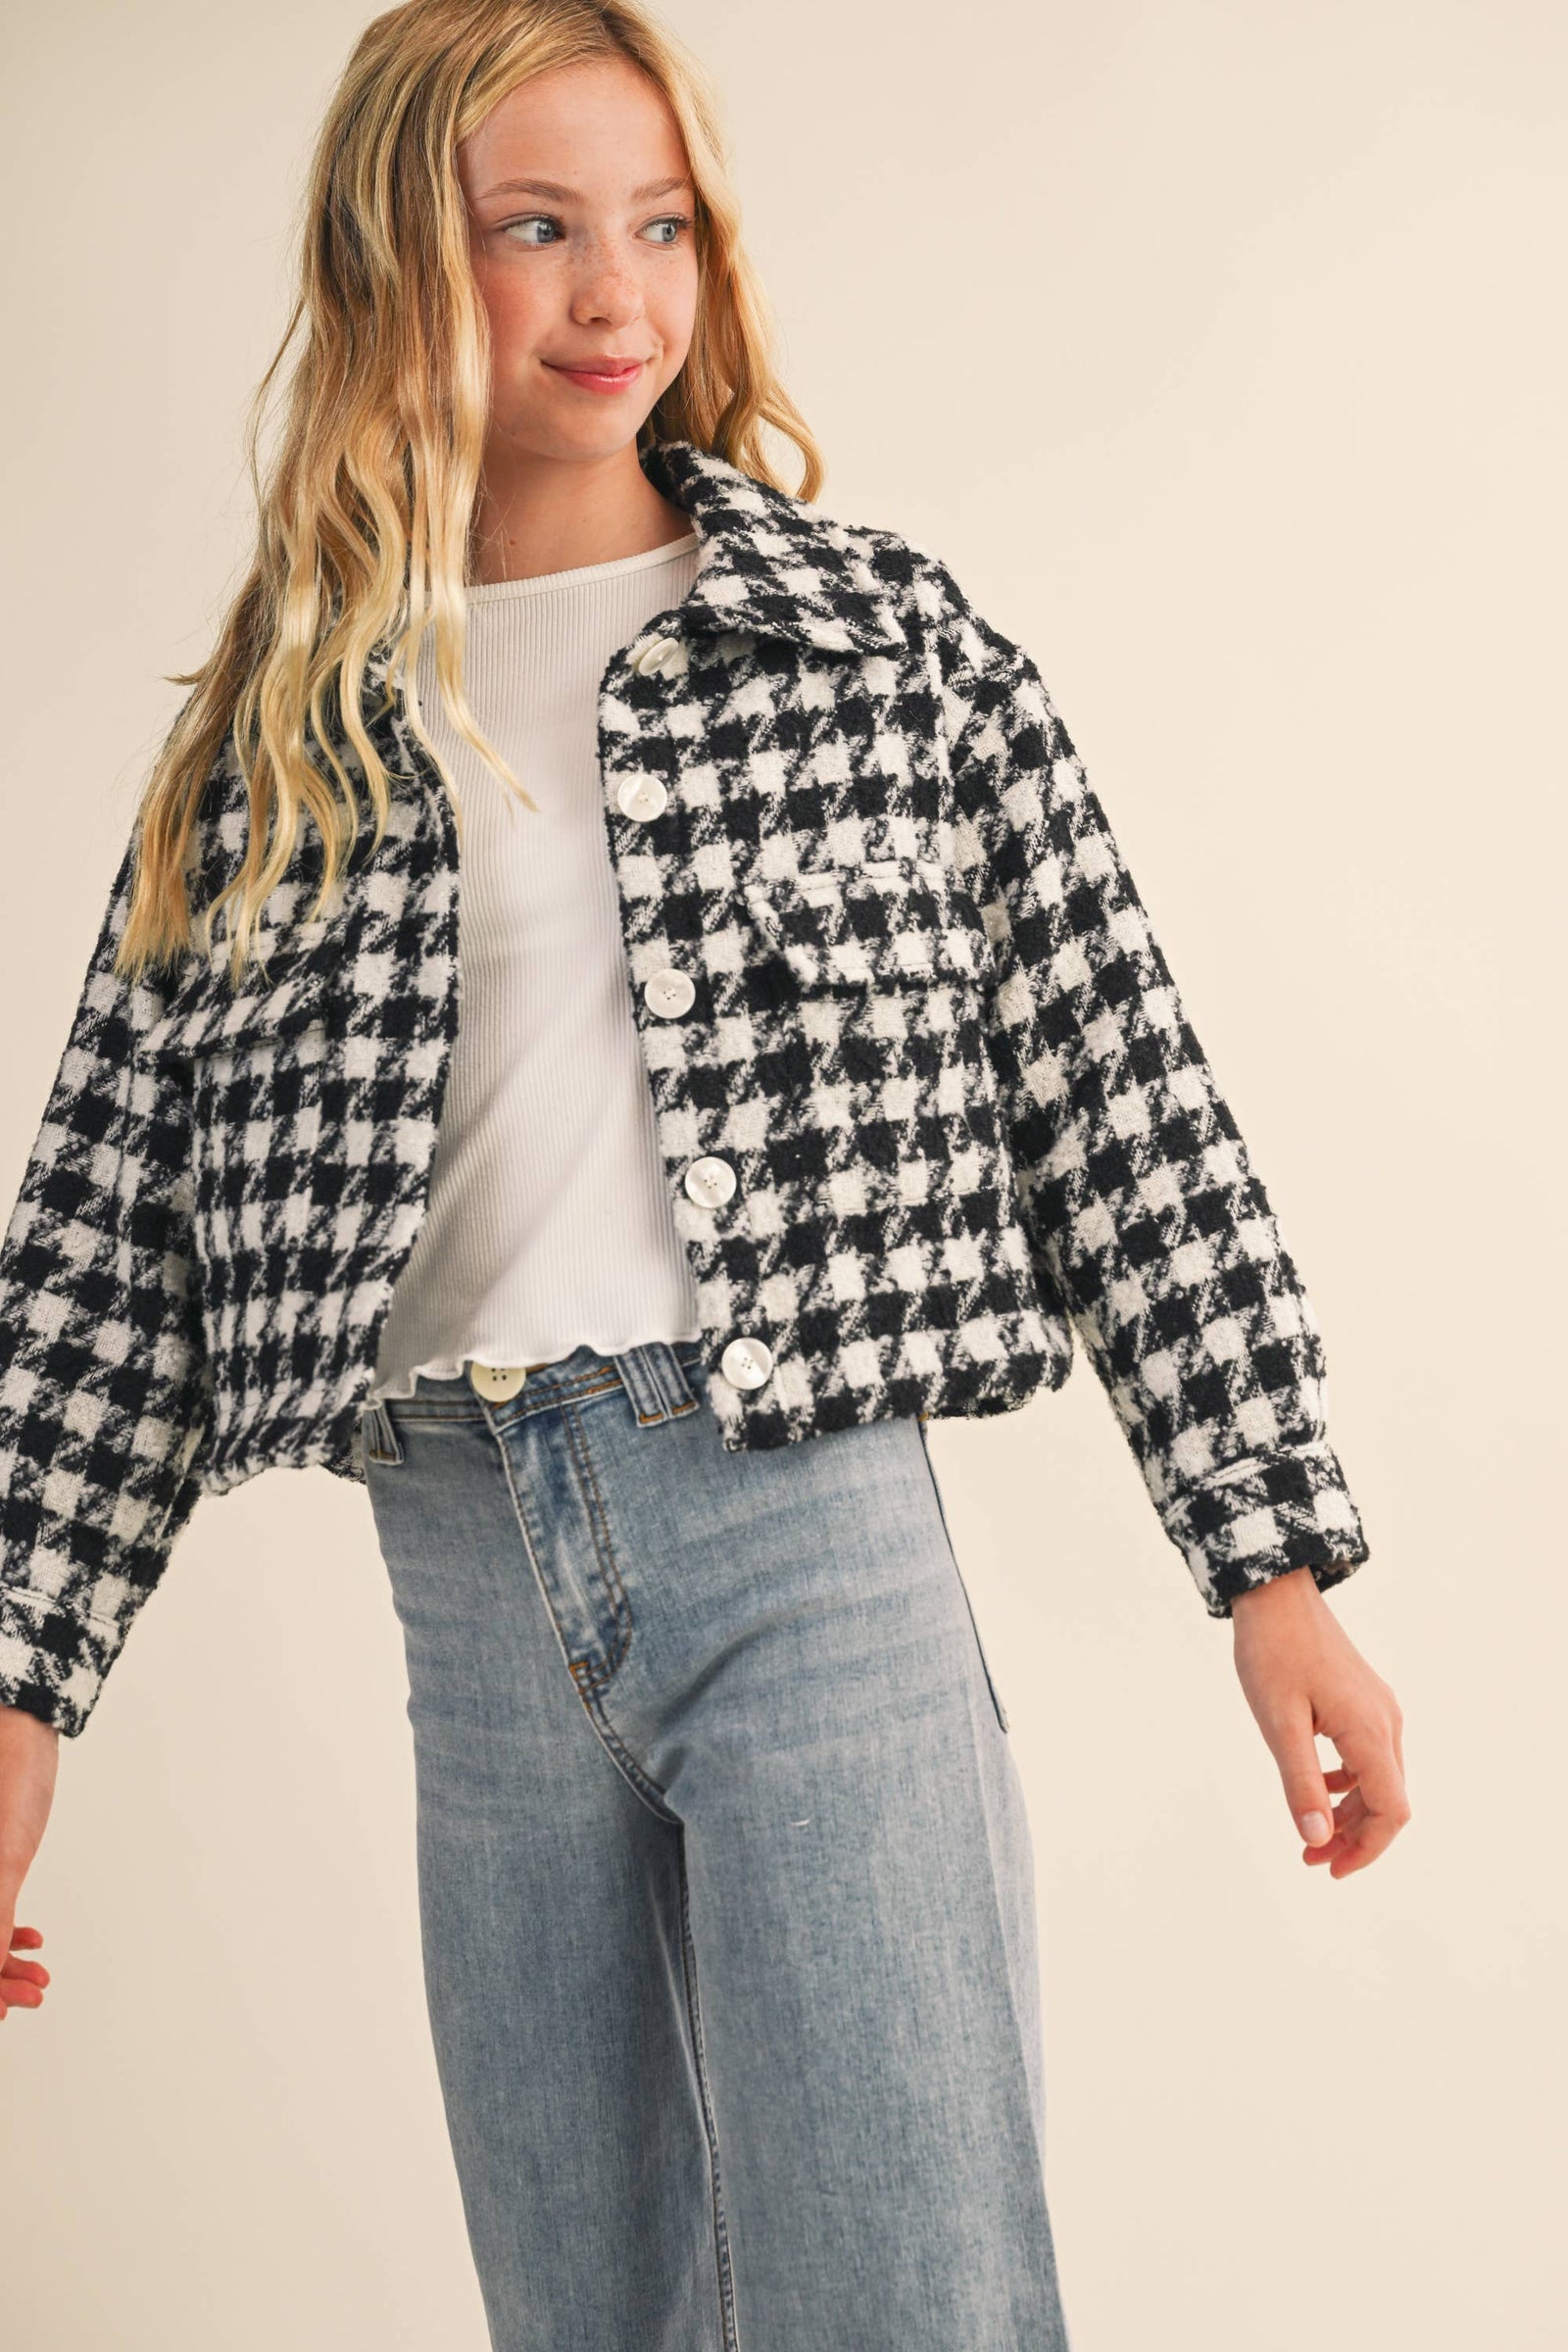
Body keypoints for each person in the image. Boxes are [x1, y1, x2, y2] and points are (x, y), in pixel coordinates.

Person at [0, 3, 1408, 2346]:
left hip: (805, 1556)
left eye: (657, 227)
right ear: (392, 260)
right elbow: (101, 1249)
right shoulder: (286, 726)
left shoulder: (872, 651)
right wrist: (19, 1686)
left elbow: (1115, 1097)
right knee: (588, 2315)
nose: (610, 295)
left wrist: (1269, 1565)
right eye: (533, 229)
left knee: (903, 2297)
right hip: (466, 1594)